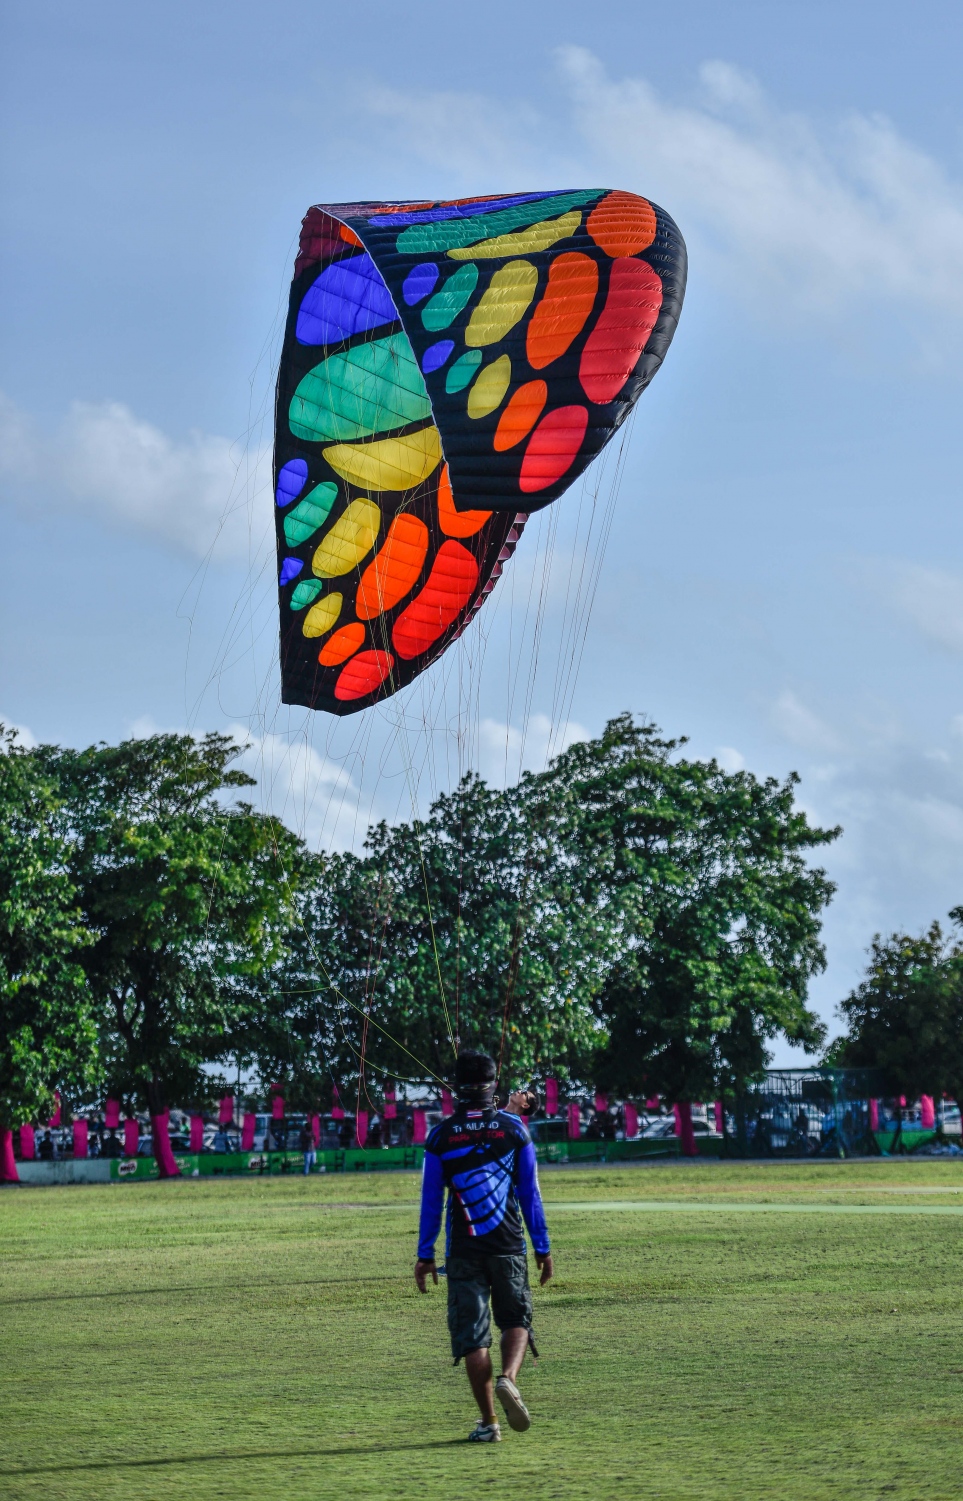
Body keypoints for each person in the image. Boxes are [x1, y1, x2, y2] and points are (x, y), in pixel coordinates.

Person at [415, 1050, 553, 1444]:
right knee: (516, 1321)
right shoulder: (515, 1130)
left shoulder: (440, 1136)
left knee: (473, 1338)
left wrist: (425, 1255)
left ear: (455, 1087)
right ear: (494, 1084)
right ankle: (509, 1378)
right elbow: (530, 1195)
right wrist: (542, 1248)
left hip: (463, 1250)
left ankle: (490, 1422)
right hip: (509, 1244)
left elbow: (431, 1201)